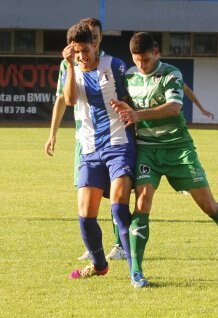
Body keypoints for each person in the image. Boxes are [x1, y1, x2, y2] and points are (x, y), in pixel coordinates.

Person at [111, 32, 218, 288]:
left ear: (156, 52)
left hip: (179, 149)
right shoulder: (129, 76)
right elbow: (122, 102)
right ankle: (137, 272)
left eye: (145, 59)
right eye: (137, 59)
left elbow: (174, 107)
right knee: (142, 202)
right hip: (148, 151)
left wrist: (137, 114)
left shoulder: (170, 74)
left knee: (209, 205)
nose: (141, 64)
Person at [44, 17, 126, 261]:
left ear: (98, 39)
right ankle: (94, 247)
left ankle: (120, 244)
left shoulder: (110, 64)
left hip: (111, 137)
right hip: (84, 138)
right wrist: (53, 133)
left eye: (96, 36)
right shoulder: (68, 64)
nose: (94, 40)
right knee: (87, 193)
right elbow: (63, 99)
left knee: (114, 194)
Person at [61, 22, 135, 279]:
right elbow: (70, 100)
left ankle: (135, 271)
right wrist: (70, 66)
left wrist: (128, 110)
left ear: (95, 45)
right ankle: (99, 265)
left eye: (85, 50)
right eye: (77, 51)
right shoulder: (70, 70)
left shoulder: (114, 66)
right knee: (85, 215)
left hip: (118, 145)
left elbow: (131, 100)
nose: (83, 56)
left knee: (118, 209)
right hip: (90, 149)